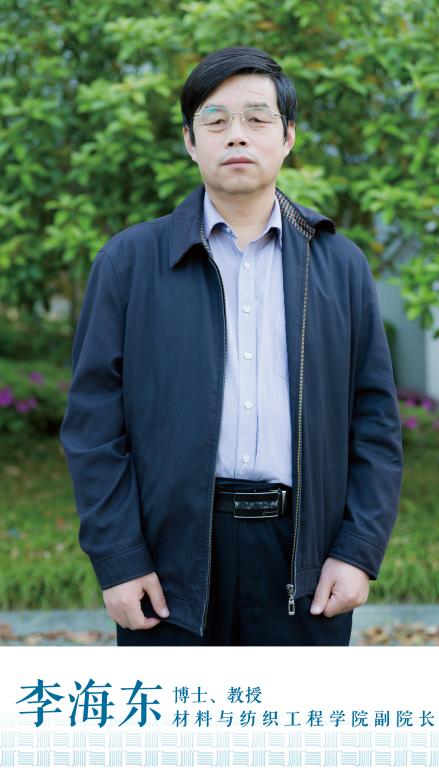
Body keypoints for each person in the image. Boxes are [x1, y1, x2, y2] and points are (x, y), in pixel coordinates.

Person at [60, 46, 403, 646]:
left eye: (257, 118)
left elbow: (374, 422)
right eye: (215, 121)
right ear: (190, 141)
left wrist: (358, 549)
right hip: (170, 562)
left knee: (294, 712)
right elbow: (94, 428)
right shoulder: (129, 263)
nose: (236, 135)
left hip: (304, 560)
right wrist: (119, 557)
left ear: (287, 137)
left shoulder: (338, 265)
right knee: (180, 713)